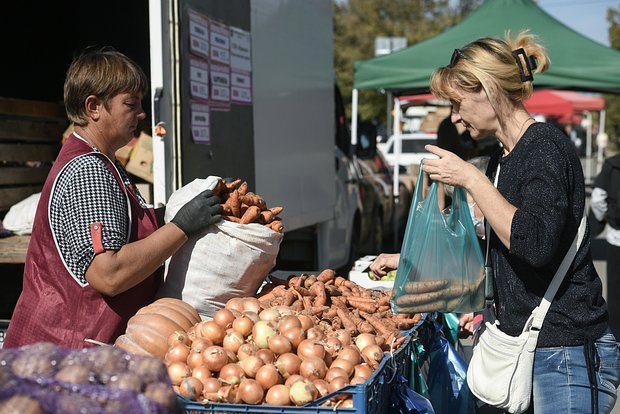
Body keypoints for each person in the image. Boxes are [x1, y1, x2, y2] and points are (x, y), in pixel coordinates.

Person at [418, 31, 619, 413]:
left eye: (458, 104)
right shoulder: (503, 158)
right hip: (527, 348)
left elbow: (534, 243)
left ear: (489, 90)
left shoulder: (543, 145)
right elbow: (501, 250)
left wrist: (469, 178)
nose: (456, 118)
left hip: (566, 354)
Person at [4, 48, 222, 348]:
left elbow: (124, 226)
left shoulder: (105, 161)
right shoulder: (88, 172)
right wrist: (182, 225)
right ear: (93, 107)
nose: (142, 113)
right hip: (66, 359)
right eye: (131, 104)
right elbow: (109, 274)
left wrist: (171, 212)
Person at [590, 153, 620, 339]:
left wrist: (603, 219)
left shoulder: (613, 165)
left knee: (616, 291)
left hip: (617, 237)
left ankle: (617, 334)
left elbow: (597, 198)